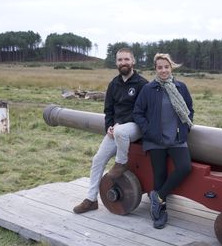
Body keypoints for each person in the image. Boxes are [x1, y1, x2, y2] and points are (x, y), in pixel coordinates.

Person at [73, 48, 148, 214]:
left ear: (133, 61)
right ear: (116, 63)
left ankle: (121, 163)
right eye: (120, 60)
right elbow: (109, 110)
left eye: (126, 59)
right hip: (117, 129)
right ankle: (91, 199)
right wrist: (109, 126)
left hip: (135, 127)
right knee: (97, 159)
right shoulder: (114, 84)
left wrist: (121, 125)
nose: (123, 63)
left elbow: (143, 112)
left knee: (121, 131)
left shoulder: (143, 84)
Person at [133, 53, 194, 229]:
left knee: (185, 167)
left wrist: (186, 128)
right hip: (155, 140)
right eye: (160, 67)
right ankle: (160, 212)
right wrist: (148, 130)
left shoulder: (180, 87)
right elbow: (138, 112)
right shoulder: (149, 89)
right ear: (156, 69)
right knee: (159, 175)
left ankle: (157, 196)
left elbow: (189, 109)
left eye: (166, 67)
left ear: (171, 67)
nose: (163, 70)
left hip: (176, 139)